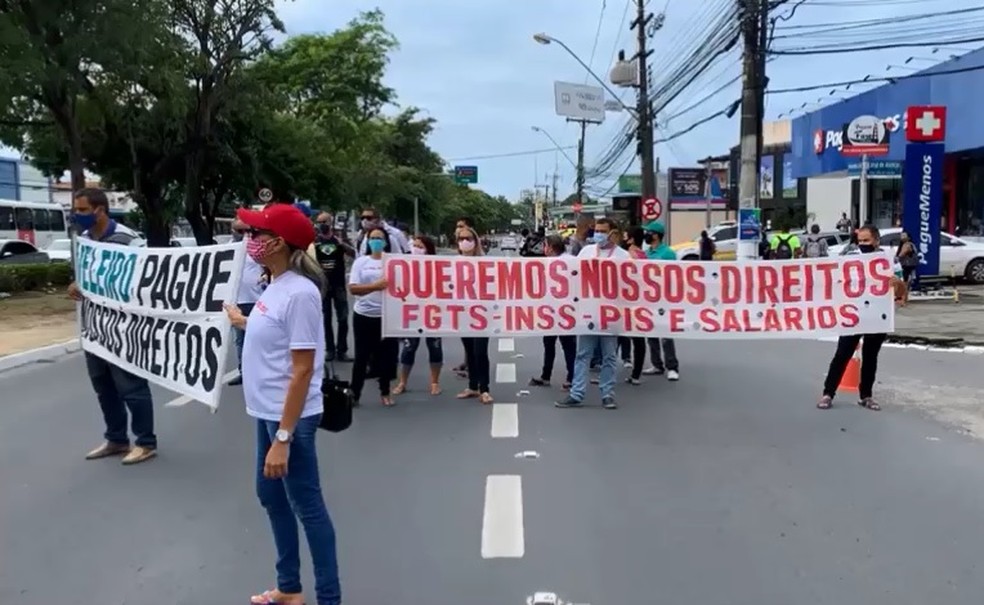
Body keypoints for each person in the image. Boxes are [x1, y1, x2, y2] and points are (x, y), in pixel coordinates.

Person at [224, 203, 341, 605]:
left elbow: (303, 370)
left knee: (308, 507)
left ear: (277, 243)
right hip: (265, 413)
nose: (249, 240)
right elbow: (273, 337)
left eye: (255, 234)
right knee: (271, 497)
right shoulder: (273, 285)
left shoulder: (301, 293)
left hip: (290, 419)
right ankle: (288, 587)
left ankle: (329, 597)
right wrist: (242, 321)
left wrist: (284, 436)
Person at [69, 187, 157, 465]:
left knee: (131, 387)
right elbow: (81, 276)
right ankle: (117, 439)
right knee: (104, 388)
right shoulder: (83, 240)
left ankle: (146, 442)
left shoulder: (129, 240)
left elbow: (148, 281)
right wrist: (75, 285)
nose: (77, 215)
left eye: (82, 210)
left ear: (100, 210)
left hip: (124, 330)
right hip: (94, 329)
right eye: (76, 210)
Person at [817, 225, 892, 412]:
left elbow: (898, 289)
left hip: (877, 315)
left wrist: (896, 284)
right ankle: (828, 393)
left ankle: (866, 395)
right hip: (853, 314)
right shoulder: (850, 259)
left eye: (867, 240)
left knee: (870, 357)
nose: (863, 244)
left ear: (876, 240)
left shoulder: (888, 261)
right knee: (842, 354)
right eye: (860, 241)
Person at [556, 218, 629, 410]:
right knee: (583, 355)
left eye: (603, 231)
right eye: (597, 230)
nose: (599, 234)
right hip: (588, 313)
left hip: (611, 314)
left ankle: (607, 394)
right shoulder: (586, 252)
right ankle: (577, 393)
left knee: (609, 356)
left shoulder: (623, 256)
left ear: (613, 232)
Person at [348, 226, 400, 406]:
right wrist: (375, 287)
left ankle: (385, 392)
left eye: (379, 238)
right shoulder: (361, 262)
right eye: (372, 238)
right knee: (361, 357)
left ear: (386, 241)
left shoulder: (394, 263)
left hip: (386, 317)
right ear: (368, 241)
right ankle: (355, 393)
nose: (376, 241)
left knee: (386, 357)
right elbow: (353, 288)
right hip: (363, 316)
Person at [393, 235, 444, 396]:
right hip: (412, 313)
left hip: (433, 313)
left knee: (434, 347)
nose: (416, 249)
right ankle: (402, 382)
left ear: (428, 250)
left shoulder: (437, 268)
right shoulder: (403, 267)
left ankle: (434, 382)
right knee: (409, 348)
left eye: (420, 246)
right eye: (414, 245)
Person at [529, 235, 576, 389]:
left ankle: (569, 377)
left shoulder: (561, 262)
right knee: (555, 344)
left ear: (550, 247)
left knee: (564, 345)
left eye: (545, 246)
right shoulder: (570, 260)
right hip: (555, 309)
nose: (544, 249)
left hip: (561, 309)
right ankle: (550, 375)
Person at [455, 225, 493, 404]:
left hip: (481, 314)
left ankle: (484, 389)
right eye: (461, 239)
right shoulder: (453, 262)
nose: (465, 242)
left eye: (468, 238)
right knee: (469, 351)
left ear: (475, 241)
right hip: (462, 313)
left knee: (480, 352)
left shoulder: (485, 262)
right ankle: (472, 386)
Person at [641, 221, 681, 381]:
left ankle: (672, 366)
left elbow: (674, 276)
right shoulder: (647, 253)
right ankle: (657, 364)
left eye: (648, 233)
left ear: (655, 235)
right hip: (648, 298)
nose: (646, 235)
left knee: (665, 334)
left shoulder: (667, 253)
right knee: (651, 333)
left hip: (664, 298)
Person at [313, 212, 355, 362]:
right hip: (323, 285)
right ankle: (329, 349)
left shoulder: (339, 237)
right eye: (318, 222)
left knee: (342, 318)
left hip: (338, 285)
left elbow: (353, 253)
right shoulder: (315, 240)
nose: (321, 224)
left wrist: (340, 243)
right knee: (326, 319)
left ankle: (342, 350)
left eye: (324, 221)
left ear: (330, 222)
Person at [229, 218, 266, 385]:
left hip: (256, 299)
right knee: (240, 340)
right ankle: (243, 372)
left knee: (258, 336)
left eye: (246, 231)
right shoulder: (227, 249)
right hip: (236, 301)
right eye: (239, 231)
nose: (243, 235)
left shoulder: (256, 247)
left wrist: (265, 277)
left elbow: (268, 266)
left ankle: (260, 371)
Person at [623, 227, 649, 385]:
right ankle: (636, 374)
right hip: (639, 302)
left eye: (627, 236)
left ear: (632, 239)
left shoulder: (629, 255)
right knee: (638, 340)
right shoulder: (644, 256)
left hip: (627, 301)